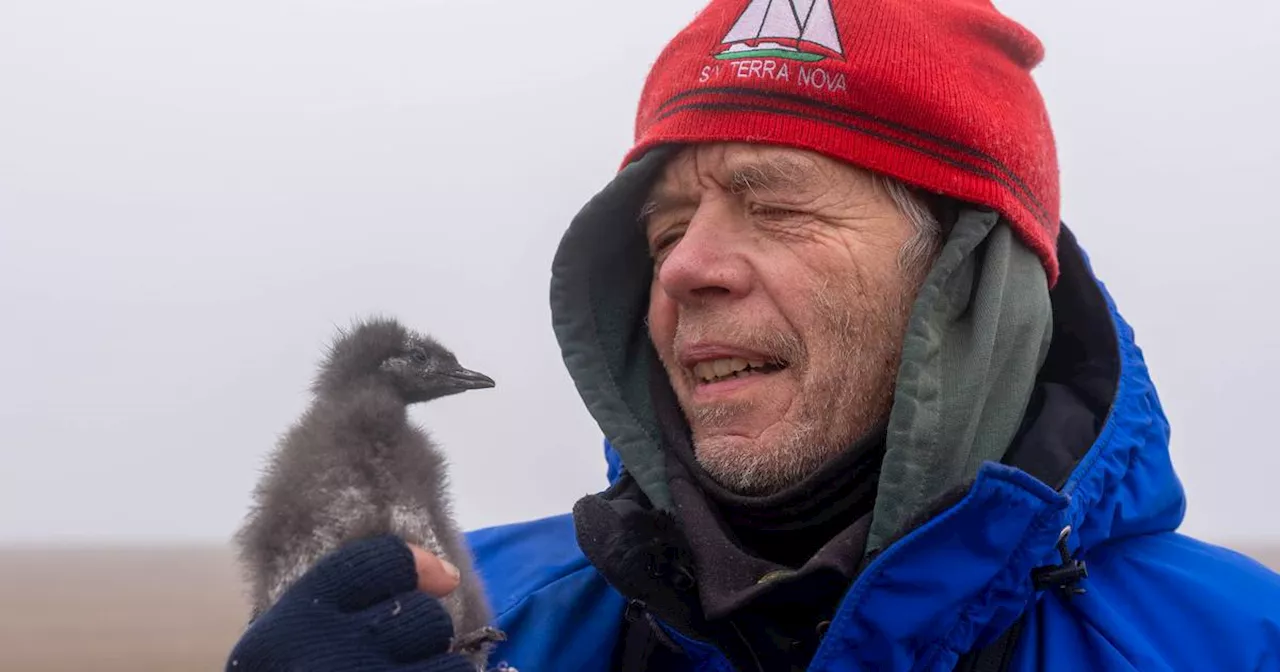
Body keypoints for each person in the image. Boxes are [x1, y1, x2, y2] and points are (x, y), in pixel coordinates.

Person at [226, 1, 1280, 670]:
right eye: (665, 229)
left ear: (972, 288)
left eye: (774, 207)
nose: (684, 269)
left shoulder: (1231, 647)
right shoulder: (470, 624)